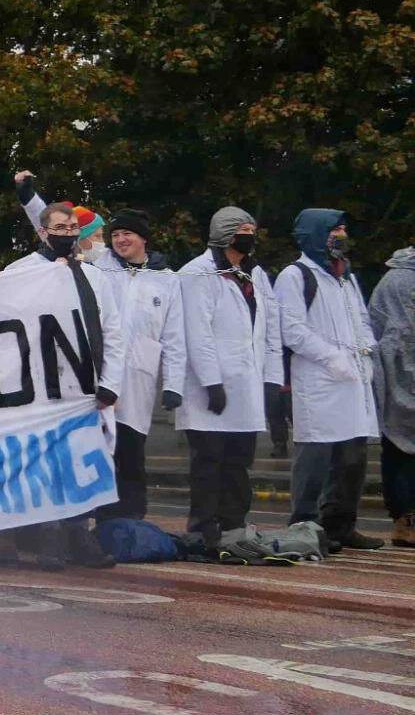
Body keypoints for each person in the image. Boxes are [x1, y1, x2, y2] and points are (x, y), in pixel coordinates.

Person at [0, 203, 124, 569]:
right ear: (42, 232)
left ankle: (79, 534)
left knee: (84, 460)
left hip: (85, 384)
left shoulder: (96, 277)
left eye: (72, 227)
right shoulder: (21, 272)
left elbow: (113, 331)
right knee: (46, 461)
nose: (68, 233)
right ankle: (48, 536)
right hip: (39, 385)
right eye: (60, 227)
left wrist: (110, 383)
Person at [176, 207, 284, 555]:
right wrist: (211, 382)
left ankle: (234, 525)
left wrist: (272, 378)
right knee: (209, 461)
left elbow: (270, 330)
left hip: (247, 385)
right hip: (212, 388)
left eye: (252, 229)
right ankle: (203, 528)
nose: (249, 235)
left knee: (239, 461)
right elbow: (197, 331)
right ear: (223, 234)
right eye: (242, 229)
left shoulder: (255, 275)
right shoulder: (197, 273)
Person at [278, 209, 382, 551]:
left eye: (343, 230)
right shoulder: (295, 276)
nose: (341, 235)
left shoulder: (345, 276)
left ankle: (340, 524)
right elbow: (293, 329)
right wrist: (331, 357)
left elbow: (362, 319)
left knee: (353, 457)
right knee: (315, 457)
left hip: (353, 378)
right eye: (334, 230)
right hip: (319, 379)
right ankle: (305, 525)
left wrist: (366, 349)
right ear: (315, 234)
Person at [91, 210, 185, 523]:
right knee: (100, 450)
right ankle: (100, 521)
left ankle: (130, 522)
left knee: (131, 452)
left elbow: (174, 335)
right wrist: (28, 196)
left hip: (139, 381)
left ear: (144, 238)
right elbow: (52, 224)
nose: (120, 240)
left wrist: (173, 384)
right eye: (115, 235)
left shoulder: (167, 279)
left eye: (127, 234)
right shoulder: (99, 268)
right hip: (102, 377)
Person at [367, 241, 415, 547]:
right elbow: (394, 330)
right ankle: (404, 518)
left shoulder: (392, 278)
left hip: (398, 374)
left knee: (398, 451)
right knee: (401, 452)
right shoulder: (400, 280)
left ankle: (403, 518)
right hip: (399, 375)